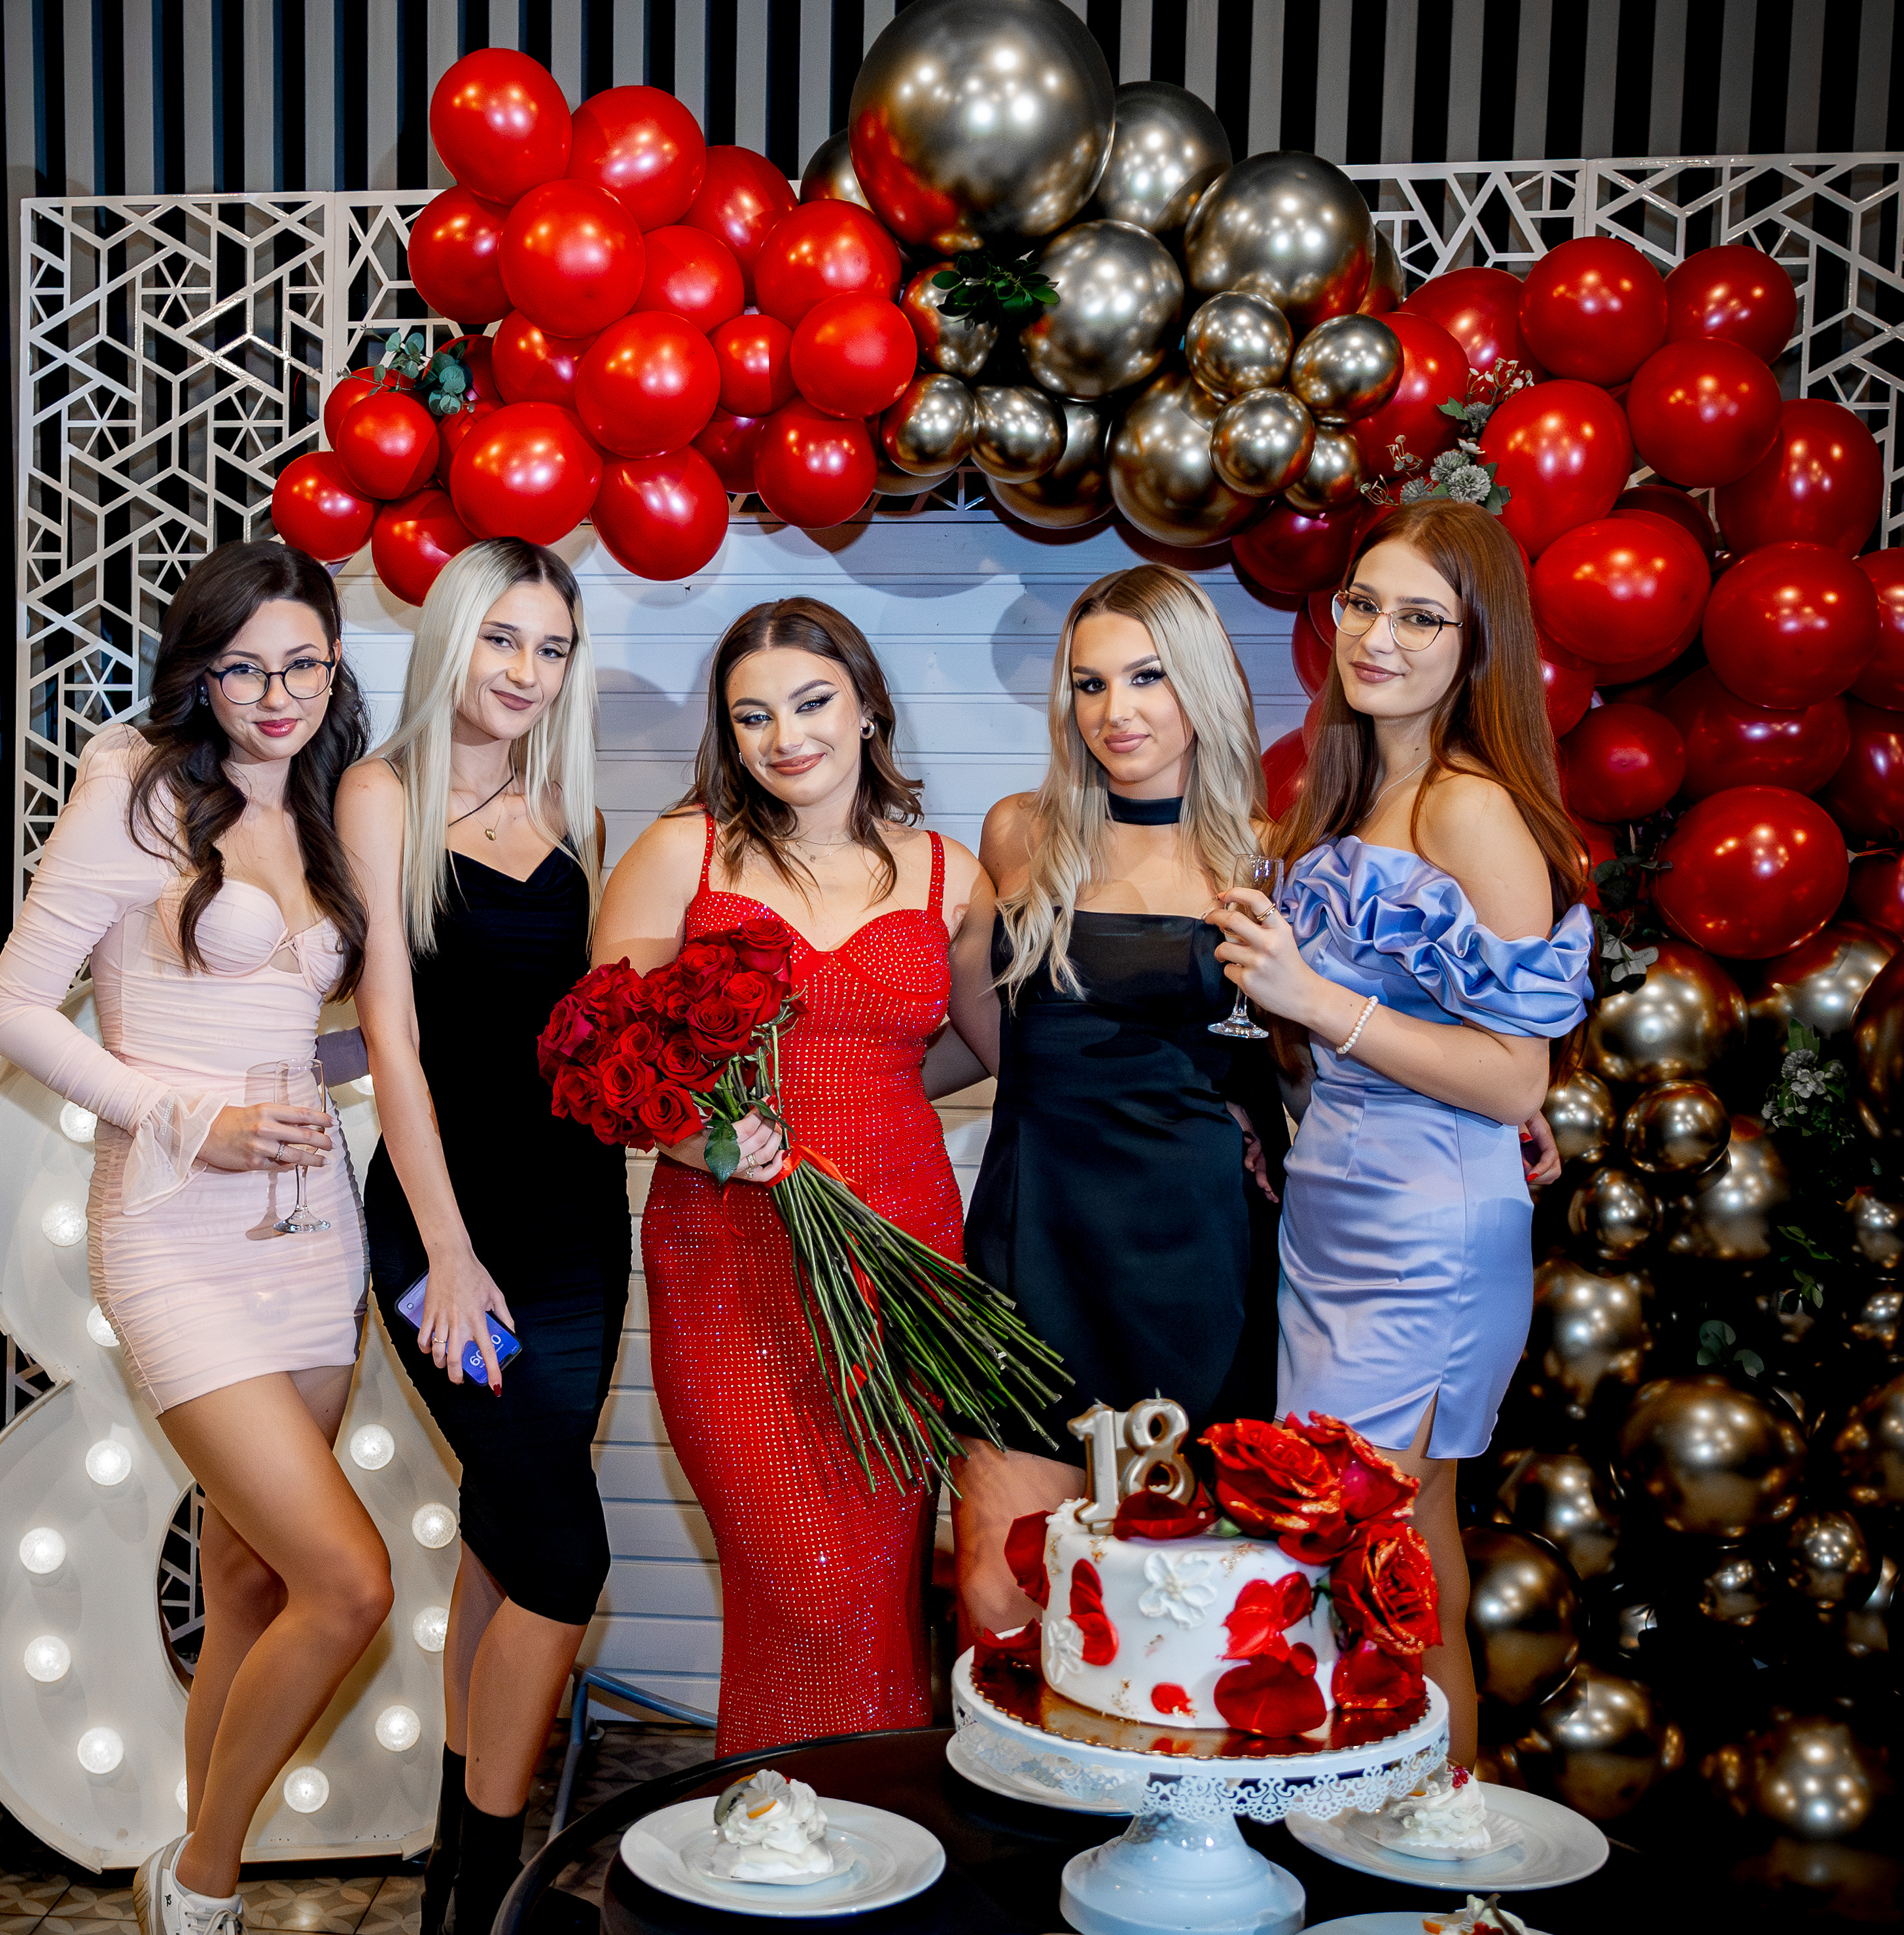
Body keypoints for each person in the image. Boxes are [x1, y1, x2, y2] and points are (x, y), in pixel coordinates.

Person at [0, 538, 391, 1935]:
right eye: (244, 667)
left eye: (304, 664)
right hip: (172, 1232)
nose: (277, 695)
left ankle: (193, 1882)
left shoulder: (330, 807)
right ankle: (202, 1887)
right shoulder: (138, 793)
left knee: (252, 1587)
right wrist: (187, 1115)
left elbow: (292, 1024)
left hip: (310, 1242)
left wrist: (362, 1068)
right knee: (349, 1584)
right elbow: (15, 1011)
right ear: (198, 672)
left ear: (334, 665)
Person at [1208, 498, 1593, 1766]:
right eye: (1364, 604)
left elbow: (1513, 1079)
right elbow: (1351, 1047)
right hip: (1336, 1210)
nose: (1378, 637)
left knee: (1373, 1554)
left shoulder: (1471, 807)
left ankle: (1421, 1828)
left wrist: (1315, 1000)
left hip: (1426, 1236)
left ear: (1477, 644)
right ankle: (1413, 1824)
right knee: (1389, 1549)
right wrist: (1278, 1087)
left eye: (1421, 617)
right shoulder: (1356, 789)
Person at [592, 599, 998, 1751]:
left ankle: (852, 1834)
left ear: (866, 708)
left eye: (812, 702)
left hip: (901, 1264)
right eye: (753, 715)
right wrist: (703, 1136)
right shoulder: (683, 852)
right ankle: (781, 1820)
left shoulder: (950, 873)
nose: (786, 736)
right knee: (804, 1581)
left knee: (873, 1593)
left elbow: (1000, 1051)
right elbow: (605, 1055)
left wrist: (878, 1088)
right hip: (728, 1261)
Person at [337, 539, 627, 1935]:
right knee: (566, 1556)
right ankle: (490, 1913)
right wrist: (445, 1249)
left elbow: (594, 1033)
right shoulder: (379, 794)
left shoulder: (573, 810)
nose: (523, 671)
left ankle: (460, 1882)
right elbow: (391, 1038)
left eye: (550, 646)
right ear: (451, 640)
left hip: (578, 1222)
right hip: (446, 1223)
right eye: (501, 639)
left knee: (514, 1541)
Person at [947, 563, 1288, 1641]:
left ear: (1202, 683)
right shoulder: (1020, 831)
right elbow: (975, 1027)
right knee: (997, 1591)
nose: (1115, 711)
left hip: (1194, 1251)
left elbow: (1304, 1047)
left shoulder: (1266, 855)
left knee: (1171, 1605)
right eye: (1089, 684)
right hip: (1034, 1233)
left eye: (1146, 677)